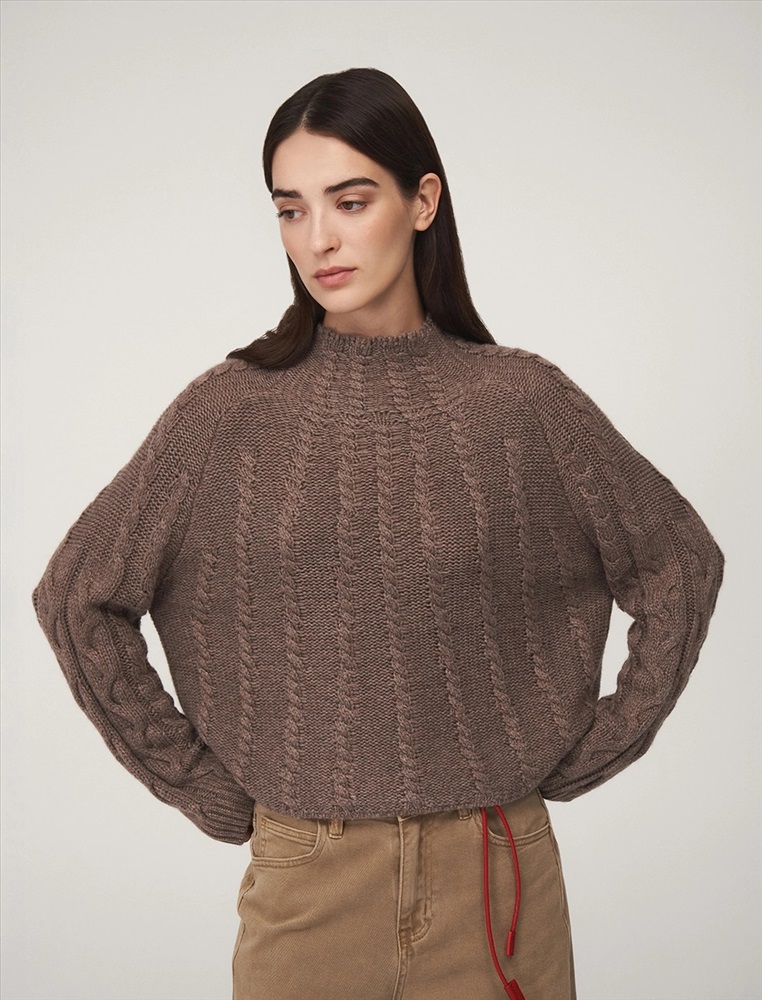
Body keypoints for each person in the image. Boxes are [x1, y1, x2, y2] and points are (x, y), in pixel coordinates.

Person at [31, 67, 724, 1000]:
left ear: (423, 201)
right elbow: (78, 596)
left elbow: (679, 562)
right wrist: (198, 781)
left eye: (350, 202)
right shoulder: (227, 413)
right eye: (290, 209)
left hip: (495, 872)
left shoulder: (522, 403)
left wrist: (599, 745)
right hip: (307, 883)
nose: (317, 238)